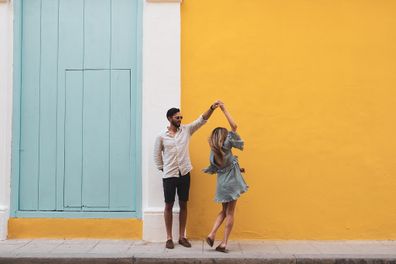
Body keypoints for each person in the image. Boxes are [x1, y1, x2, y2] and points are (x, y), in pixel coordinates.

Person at [154, 101, 220, 249]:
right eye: (177, 117)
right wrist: (162, 168)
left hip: (184, 173)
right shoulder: (161, 136)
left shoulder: (186, 130)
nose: (180, 120)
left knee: (184, 204)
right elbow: (156, 155)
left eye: (181, 117)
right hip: (169, 175)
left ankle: (182, 236)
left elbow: (201, 120)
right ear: (170, 118)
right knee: (168, 205)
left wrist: (211, 108)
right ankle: (169, 238)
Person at [203, 102, 248, 253]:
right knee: (230, 213)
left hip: (222, 184)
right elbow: (234, 126)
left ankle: (211, 233)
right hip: (232, 184)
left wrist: (238, 168)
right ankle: (223, 243)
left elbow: (224, 167)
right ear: (223, 136)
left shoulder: (214, 153)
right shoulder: (227, 145)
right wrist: (223, 109)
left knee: (223, 211)